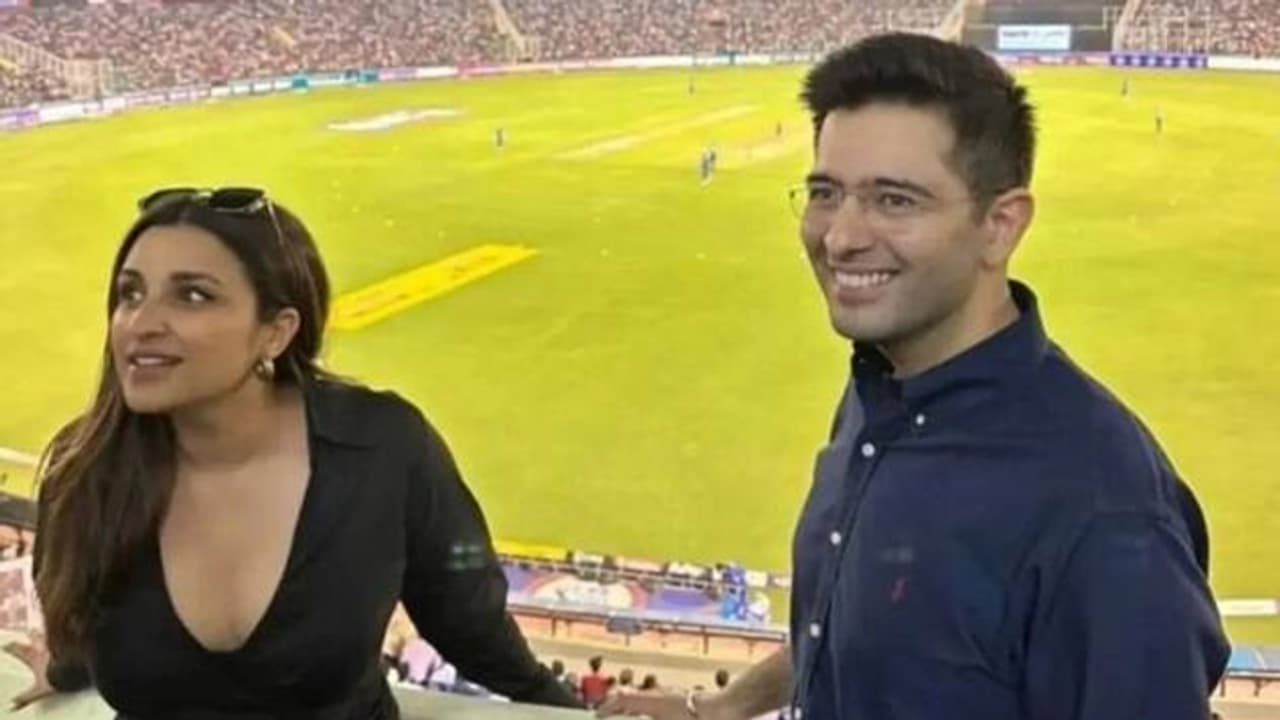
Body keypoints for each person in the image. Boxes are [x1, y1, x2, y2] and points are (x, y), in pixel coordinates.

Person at [599, 32, 1227, 720]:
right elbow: (866, 620)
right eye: (825, 192)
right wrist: (718, 708)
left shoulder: (1102, 506)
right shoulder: (881, 390)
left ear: (1000, 225)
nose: (841, 237)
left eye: (894, 200)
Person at [5, 187, 582, 715]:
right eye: (130, 293)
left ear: (276, 332)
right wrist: (62, 670)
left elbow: (468, 622)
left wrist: (571, 711)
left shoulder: (381, 448)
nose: (142, 322)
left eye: (193, 296)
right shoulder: (84, 474)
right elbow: (93, 633)